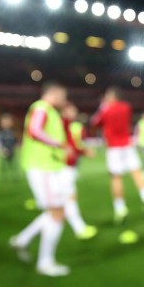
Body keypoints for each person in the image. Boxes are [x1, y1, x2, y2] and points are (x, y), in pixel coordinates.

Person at [9, 80, 72, 277]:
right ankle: (45, 262)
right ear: (53, 94)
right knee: (57, 213)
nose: (65, 100)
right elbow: (35, 131)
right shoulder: (42, 108)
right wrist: (58, 145)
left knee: (57, 211)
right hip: (41, 168)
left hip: (48, 168)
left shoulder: (50, 111)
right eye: (63, 96)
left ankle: (22, 240)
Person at [90, 86, 144, 230]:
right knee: (137, 173)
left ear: (112, 96)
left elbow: (94, 123)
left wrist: (103, 106)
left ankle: (120, 209)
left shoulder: (106, 109)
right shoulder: (126, 107)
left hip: (113, 148)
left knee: (116, 178)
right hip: (127, 146)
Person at [61, 101, 98, 240]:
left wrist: (82, 151)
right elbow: (68, 146)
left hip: (66, 166)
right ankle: (79, 228)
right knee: (65, 201)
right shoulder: (61, 124)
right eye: (71, 110)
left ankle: (22, 240)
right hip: (62, 167)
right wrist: (84, 151)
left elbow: (72, 145)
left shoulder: (67, 125)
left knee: (61, 204)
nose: (74, 113)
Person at [0, 113, 19, 181]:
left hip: (11, 148)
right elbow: (0, 141)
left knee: (12, 162)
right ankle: (4, 176)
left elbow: (14, 140)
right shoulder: (1, 132)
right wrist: (2, 149)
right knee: (4, 163)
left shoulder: (12, 131)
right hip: (4, 148)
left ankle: (14, 175)